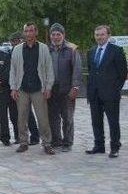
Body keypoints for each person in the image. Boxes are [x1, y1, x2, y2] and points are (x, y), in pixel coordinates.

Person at [10, 22, 55, 155]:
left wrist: (48, 87)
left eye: (31, 31)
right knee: (22, 118)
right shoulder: (17, 49)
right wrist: (13, 88)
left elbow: (49, 68)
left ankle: (47, 143)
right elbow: (13, 70)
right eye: (26, 31)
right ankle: (23, 142)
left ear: (36, 32)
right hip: (22, 88)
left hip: (38, 89)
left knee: (43, 118)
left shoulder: (43, 48)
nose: (29, 33)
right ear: (24, 33)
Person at [85, 25, 127, 158]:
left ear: (108, 35)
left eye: (102, 34)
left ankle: (115, 147)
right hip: (95, 93)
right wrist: (90, 91)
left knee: (113, 122)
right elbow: (92, 72)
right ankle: (99, 146)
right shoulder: (91, 51)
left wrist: (115, 89)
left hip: (111, 94)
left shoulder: (116, 51)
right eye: (97, 35)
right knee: (96, 121)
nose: (99, 37)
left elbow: (123, 73)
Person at [47, 23, 82, 152]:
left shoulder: (71, 49)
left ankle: (68, 142)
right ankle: (56, 140)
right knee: (53, 117)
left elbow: (77, 69)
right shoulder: (47, 49)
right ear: (50, 36)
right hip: (51, 89)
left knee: (67, 117)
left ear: (63, 35)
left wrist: (75, 87)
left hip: (67, 89)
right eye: (53, 34)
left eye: (58, 34)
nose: (55, 37)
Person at [9, 32, 40, 145]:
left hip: (27, 86)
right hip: (15, 87)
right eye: (13, 41)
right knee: (16, 114)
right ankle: (20, 137)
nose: (15, 43)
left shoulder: (28, 51)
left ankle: (35, 136)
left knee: (28, 114)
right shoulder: (12, 52)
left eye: (17, 40)